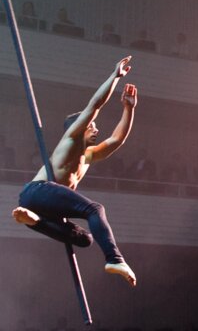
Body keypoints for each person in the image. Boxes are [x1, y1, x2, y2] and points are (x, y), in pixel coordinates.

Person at [12, 56, 138, 287]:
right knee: (94, 209)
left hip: (45, 207)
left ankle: (34, 221)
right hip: (36, 191)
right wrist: (115, 77)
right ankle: (115, 258)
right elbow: (95, 105)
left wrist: (128, 108)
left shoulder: (87, 156)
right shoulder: (70, 141)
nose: (96, 129)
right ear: (78, 127)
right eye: (91, 126)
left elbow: (117, 139)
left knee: (85, 239)